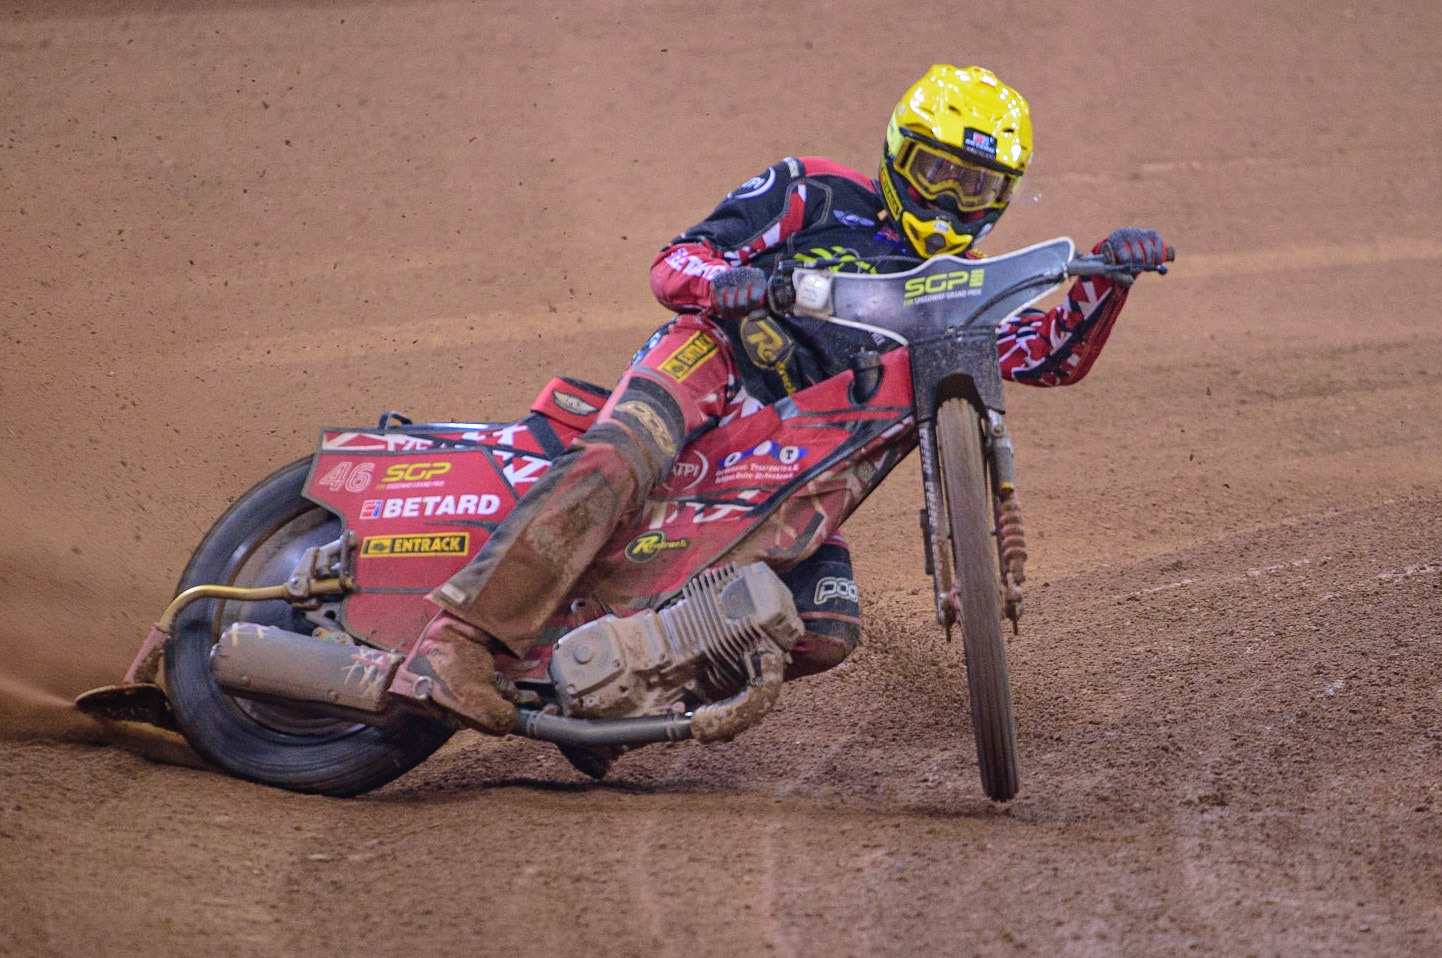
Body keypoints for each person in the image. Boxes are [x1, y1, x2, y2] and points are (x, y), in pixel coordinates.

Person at [388, 64, 1172, 736]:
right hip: (716, 363)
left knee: (827, 624)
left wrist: (1113, 283)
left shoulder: (956, 296)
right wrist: (731, 283)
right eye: (938, 174)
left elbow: (1046, 353)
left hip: (790, 452)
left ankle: (615, 703)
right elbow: (675, 262)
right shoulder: (813, 191)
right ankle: (455, 643)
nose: (952, 203)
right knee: (625, 451)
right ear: (899, 155)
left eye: (979, 190)